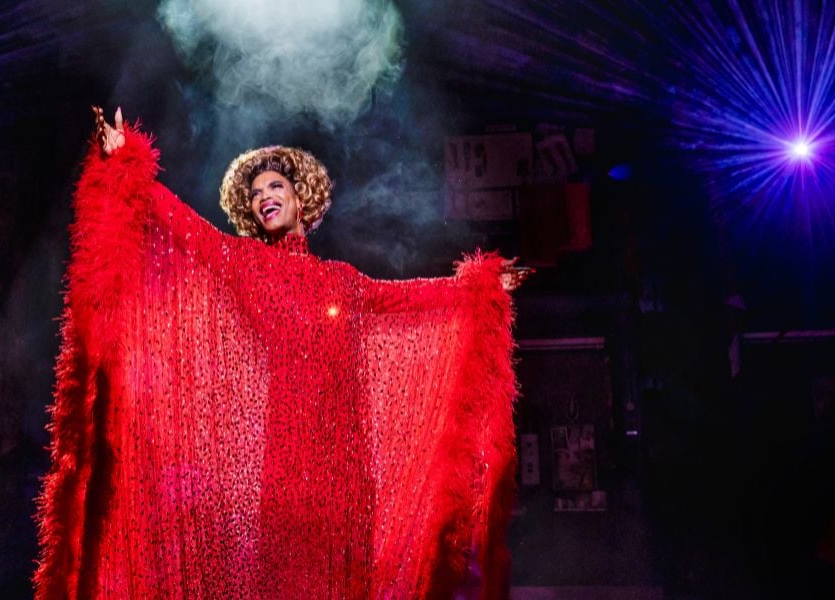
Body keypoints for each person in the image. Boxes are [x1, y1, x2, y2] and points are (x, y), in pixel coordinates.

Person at [34, 107, 525, 599]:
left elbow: (412, 297)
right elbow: (185, 228)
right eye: (255, 194)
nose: (264, 197)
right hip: (286, 475)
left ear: (300, 198)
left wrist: (480, 289)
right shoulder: (245, 265)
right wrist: (126, 161)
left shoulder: (343, 282)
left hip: (347, 481)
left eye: (275, 188)